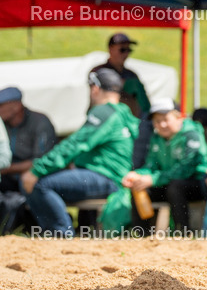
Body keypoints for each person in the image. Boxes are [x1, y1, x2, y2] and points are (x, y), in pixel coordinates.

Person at [22, 69, 138, 237]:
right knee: (45, 182)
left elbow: (75, 144)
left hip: (105, 176)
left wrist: (37, 169)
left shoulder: (103, 112)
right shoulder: (122, 112)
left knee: (38, 183)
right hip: (113, 177)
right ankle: (62, 231)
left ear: (95, 89)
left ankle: (61, 235)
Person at [122, 98, 207, 233]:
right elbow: (151, 166)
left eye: (166, 119)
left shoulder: (191, 134)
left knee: (176, 187)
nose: (161, 124)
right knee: (138, 185)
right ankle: (142, 235)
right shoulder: (157, 138)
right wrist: (138, 175)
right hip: (167, 182)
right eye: (157, 121)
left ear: (179, 118)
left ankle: (183, 232)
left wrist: (153, 179)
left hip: (196, 184)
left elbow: (185, 170)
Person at [0, 86, 56, 234]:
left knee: (27, 180)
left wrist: (7, 168)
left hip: (36, 176)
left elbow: (42, 160)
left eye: (1, 105)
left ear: (16, 106)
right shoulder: (4, 124)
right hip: (9, 175)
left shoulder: (40, 122)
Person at [92, 32, 152, 168]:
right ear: (110, 49)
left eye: (128, 50)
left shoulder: (132, 75)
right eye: (122, 49)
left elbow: (145, 105)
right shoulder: (99, 72)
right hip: (104, 122)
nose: (126, 54)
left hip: (127, 125)